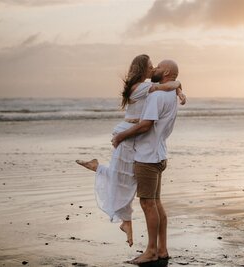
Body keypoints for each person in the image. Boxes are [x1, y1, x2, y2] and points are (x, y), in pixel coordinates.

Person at [76, 54, 186, 247]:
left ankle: (99, 170)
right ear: (143, 69)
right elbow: (169, 85)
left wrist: (179, 91)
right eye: (151, 66)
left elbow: (170, 85)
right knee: (125, 178)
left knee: (127, 179)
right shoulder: (142, 88)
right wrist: (178, 89)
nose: (153, 69)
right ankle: (127, 223)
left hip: (134, 138)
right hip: (129, 135)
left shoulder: (151, 91)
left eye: (156, 66)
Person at [111, 59, 180, 264]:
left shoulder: (157, 95)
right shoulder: (169, 95)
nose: (155, 69)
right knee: (156, 203)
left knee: (148, 203)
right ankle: (162, 249)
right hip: (159, 154)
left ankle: (150, 251)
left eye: (158, 67)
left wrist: (120, 137)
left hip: (147, 157)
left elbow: (145, 125)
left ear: (166, 71)